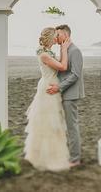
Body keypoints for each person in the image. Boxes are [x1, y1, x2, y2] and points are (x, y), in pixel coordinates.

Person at [23, 27, 72, 171]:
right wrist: (64, 48)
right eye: (56, 36)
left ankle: (53, 154)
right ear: (51, 38)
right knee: (48, 122)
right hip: (48, 87)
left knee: (54, 121)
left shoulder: (48, 52)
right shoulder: (44, 55)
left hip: (52, 84)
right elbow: (63, 67)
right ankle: (46, 158)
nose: (58, 39)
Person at [47, 24, 84, 168]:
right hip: (63, 92)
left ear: (66, 35)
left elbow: (75, 75)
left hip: (70, 94)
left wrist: (58, 87)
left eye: (58, 34)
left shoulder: (75, 51)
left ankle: (75, 159)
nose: (56, 37)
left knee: (72, 126)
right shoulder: (64, 49)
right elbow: (62, 70)